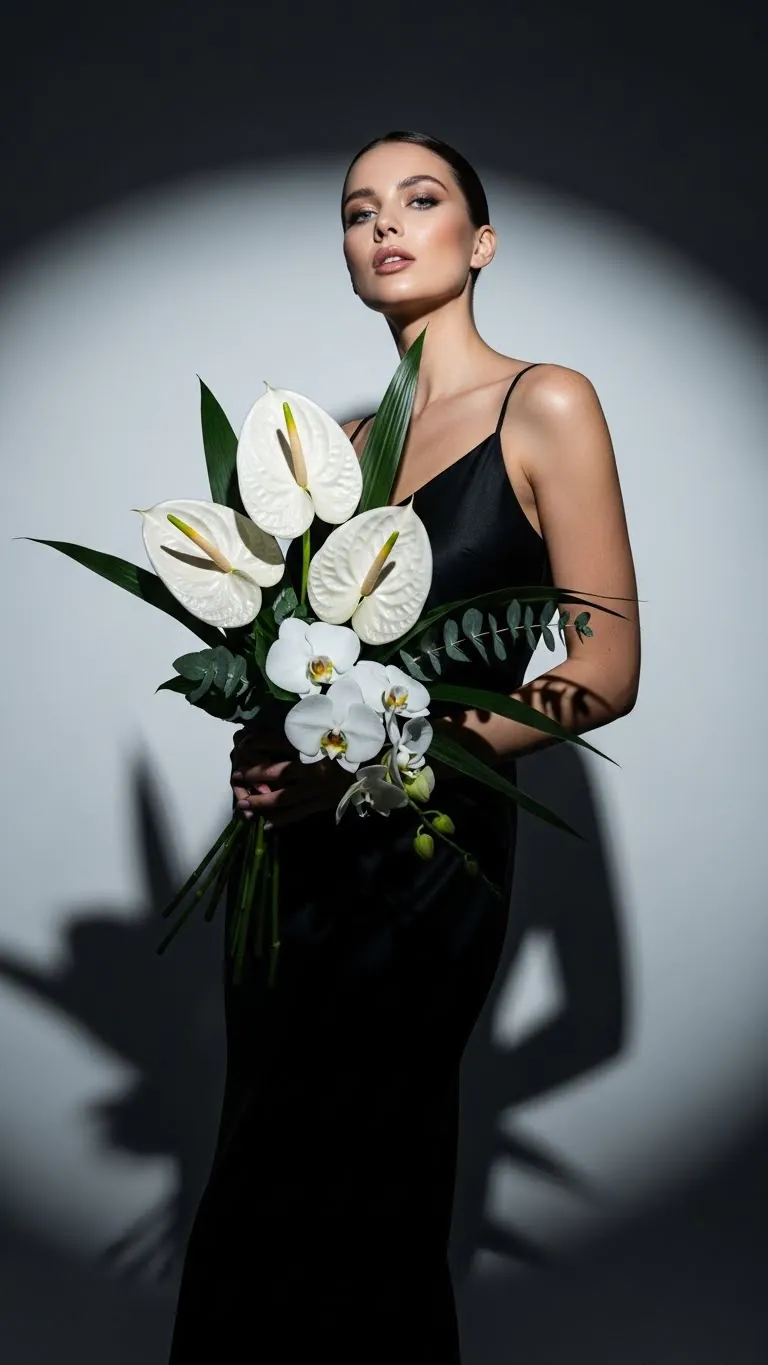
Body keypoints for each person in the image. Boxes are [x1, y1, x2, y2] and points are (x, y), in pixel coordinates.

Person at [166, 129, 641, 1363]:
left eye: (419, 200)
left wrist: (380, 761)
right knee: (257, 1174)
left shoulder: (546, 402)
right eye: (356, 209)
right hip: (294, 866)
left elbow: (603, 673)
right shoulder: (337, 454)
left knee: (371, 1177)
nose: (382, 224)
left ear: (480, 243)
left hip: (430, 859)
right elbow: (309, 665)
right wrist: (269, 758)